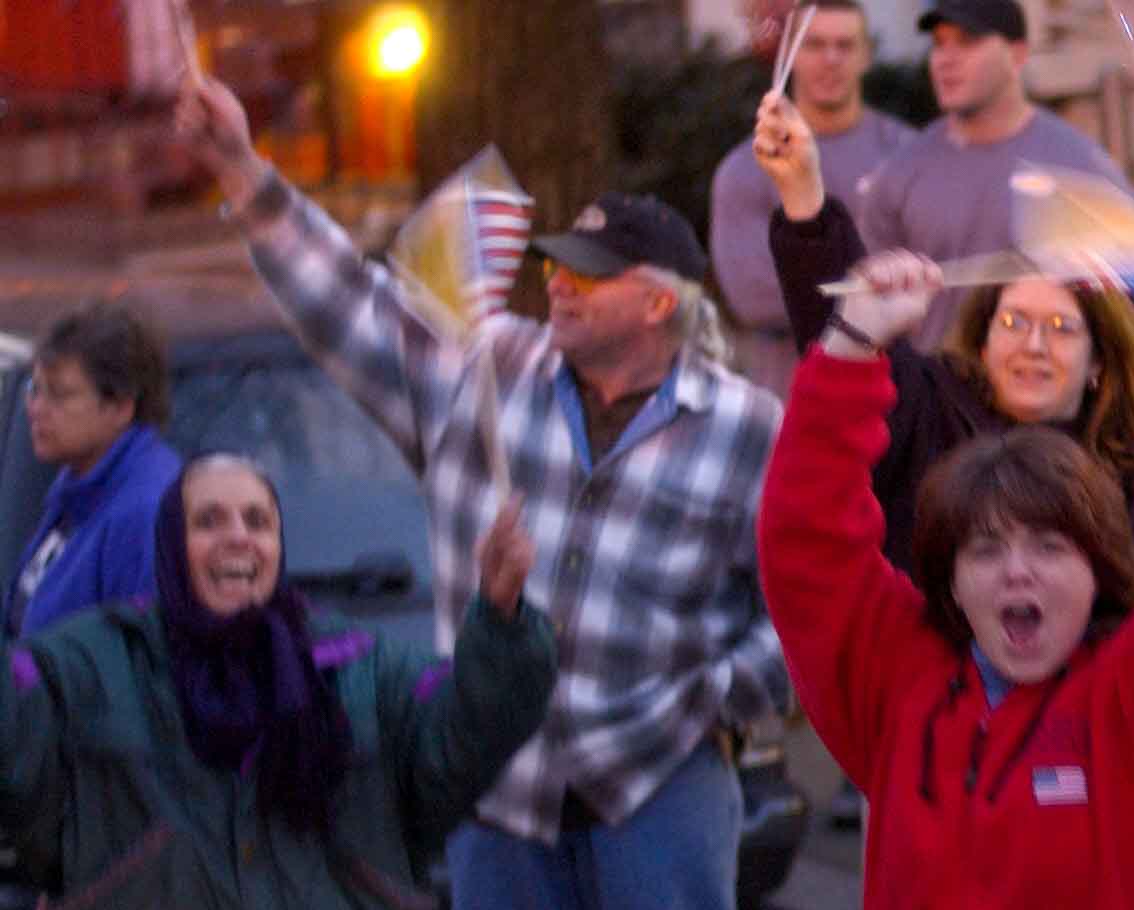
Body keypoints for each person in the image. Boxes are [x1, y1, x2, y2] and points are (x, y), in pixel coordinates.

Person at [177, 77, 792, 910]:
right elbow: (345, 305)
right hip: (498, 794)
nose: (557, 283)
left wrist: (715, 699)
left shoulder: (748, 428)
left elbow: (802, 609)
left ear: (656, 303)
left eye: (589, 274)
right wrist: (242, 168)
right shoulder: (483, 369)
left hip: (660, 795)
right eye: (556, 264)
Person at [757, 214, 1134, 907]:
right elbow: (806, 544)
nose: (1017, 571)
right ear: (949, 579)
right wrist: (850, 341)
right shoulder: (897, 685)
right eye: (985, 549)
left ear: (1104, 567)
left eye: (1051, 546)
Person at [0, 454, 555, 907]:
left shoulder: (355, 665)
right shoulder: (99, 660)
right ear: (170, 544)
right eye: (208, 521)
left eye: (257, 521)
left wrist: (501, 621)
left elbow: (461, 735)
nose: (237, 537)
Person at [755, 92, 1134, 573]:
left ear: (1099, 361)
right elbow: (836, 343)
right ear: (984, 339)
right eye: (1014, 322)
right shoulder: (931, 415)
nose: (1033, 346)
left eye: (1061, 328)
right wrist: (804, 196)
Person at [854, 0, 1133, 349]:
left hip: (1045, 389)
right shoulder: (900, 172)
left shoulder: (1081, 167)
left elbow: (1127, 310)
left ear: (1017, 55)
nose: (946, 58)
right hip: (934, 394)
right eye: (939, 43)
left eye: (967, 41)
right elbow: (867, 306)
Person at [710, 0, 914, 396]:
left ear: (867, 54)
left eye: (845, 45)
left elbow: (932, 281)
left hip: (895, 397)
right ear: (788, 54)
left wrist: (808, 272)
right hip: (791, 400)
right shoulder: (747, 169)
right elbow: (754, 299)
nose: (831, 59)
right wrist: (877, 279)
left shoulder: (909, 156)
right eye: (815, 45)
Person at [6, 302, 182, 641]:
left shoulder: (147, 512)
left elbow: (138, 666)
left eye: (59, 395)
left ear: (119, 407)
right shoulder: (79, 485)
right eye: (35, 389)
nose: (35, 409)